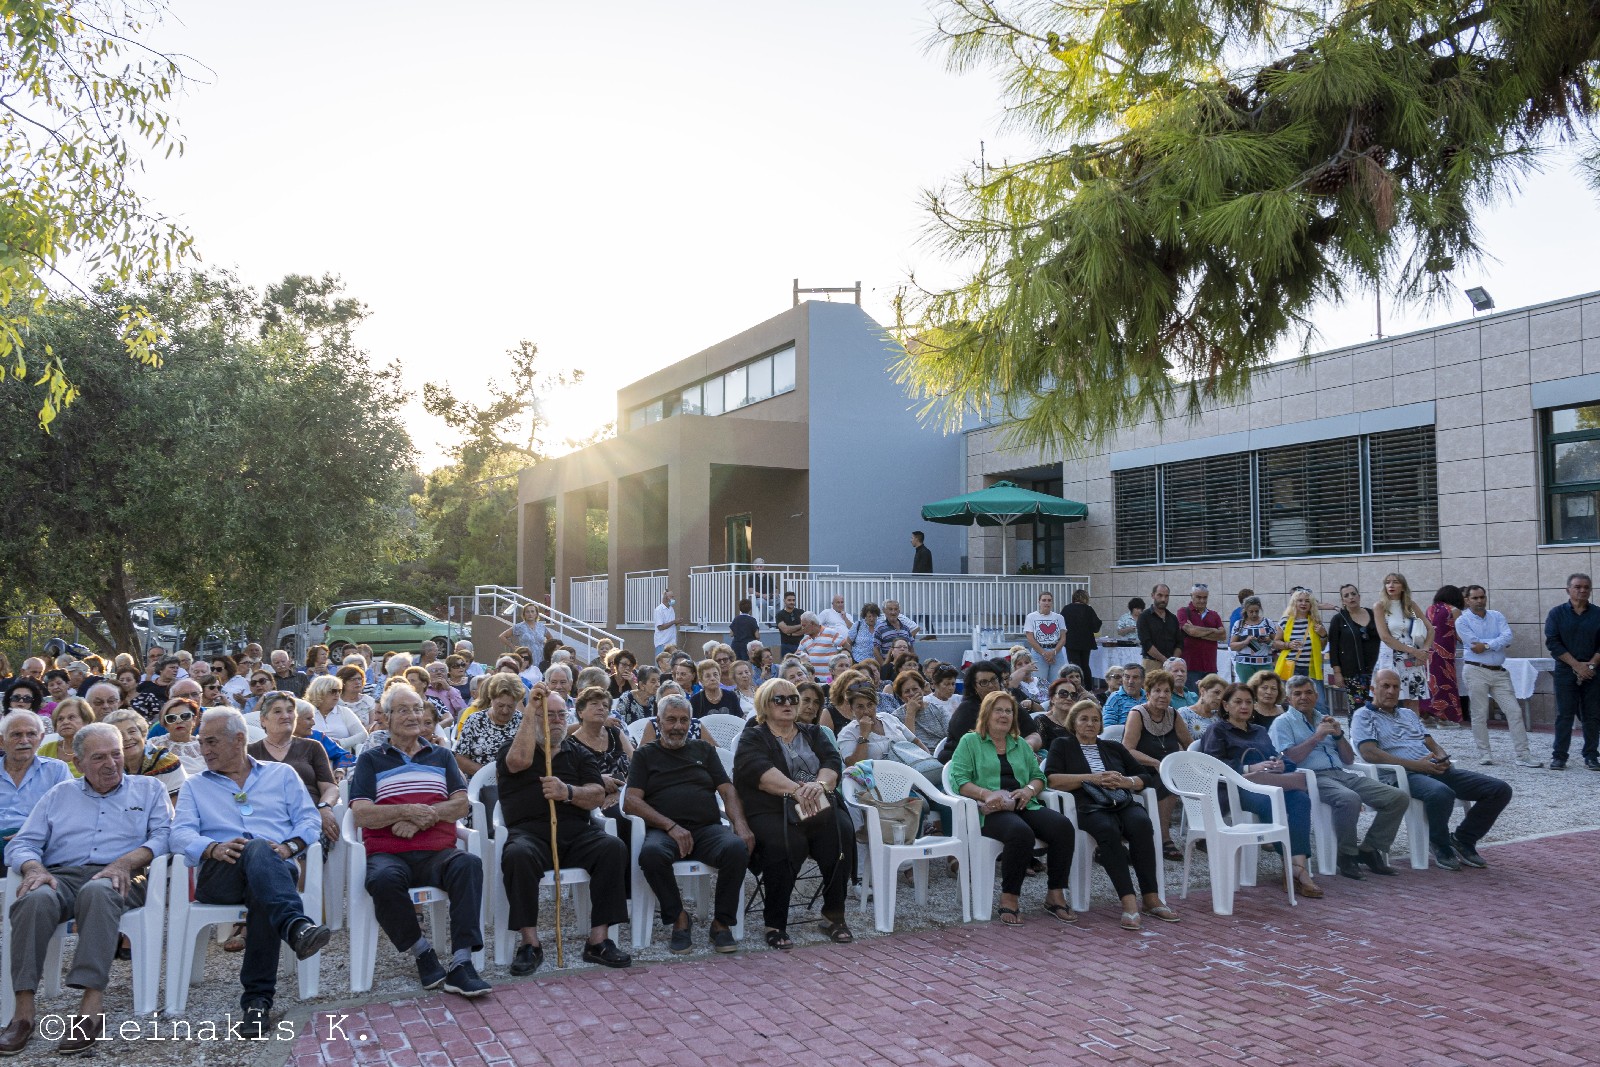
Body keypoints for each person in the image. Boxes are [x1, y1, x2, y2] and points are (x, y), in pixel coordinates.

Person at [0, 723, 171, 1055]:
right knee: (33, 898)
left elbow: (164, 837)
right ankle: (22, 1013)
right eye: (98, 757)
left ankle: (91, 1007)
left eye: (116, 754)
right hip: (61, 875)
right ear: (78, 763)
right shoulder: (59, 794)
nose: (111, 764)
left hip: (123, 874)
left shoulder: (149, 789)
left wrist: (126, 862)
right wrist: (34, 868)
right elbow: (23, 844)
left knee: (98, 892)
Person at [170, 708, 334, 1033]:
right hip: (221, 873)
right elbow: (179, 833)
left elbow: (309, 820)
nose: (204, 750)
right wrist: (211, 848)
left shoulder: (282, 775)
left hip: (272, 868)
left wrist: (288, 848)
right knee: (258, 850)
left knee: (263, 870)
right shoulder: (195, 786)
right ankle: (295, 926)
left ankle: (257, 1004)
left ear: (240, 739)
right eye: (201, 743)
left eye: (212, 742)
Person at [348, 686, 490, 995]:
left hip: (437, 852)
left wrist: (421, 817)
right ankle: (422, 952)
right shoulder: (372, 760)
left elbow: (461, 805)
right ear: (385, 718)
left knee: (468, 864)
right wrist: (408, 811)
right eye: (403, 710)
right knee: (382, 880)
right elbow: (362, 814)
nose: (413, 716)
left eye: (416, 709)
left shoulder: (441, 756)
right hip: (389, 853)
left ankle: (462, 963)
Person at [496, 686, 633, 973]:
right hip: (530, 834)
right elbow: (517, 763)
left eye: (561, 715)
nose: (556, 720)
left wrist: (567, 792)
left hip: (576, 833)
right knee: (517, 855)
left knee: (613, 847)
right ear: (534, 717)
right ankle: (530, 944)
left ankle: (598, 940)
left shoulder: (578, 753)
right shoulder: (515, 748)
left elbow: (597, 794)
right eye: (548, 715)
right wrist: (531, 710)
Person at [625, 692, 754, 955]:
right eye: (671, 720)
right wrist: (670, 826)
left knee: (736, 848)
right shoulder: (645, 755)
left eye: (684, 720)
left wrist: (740, 825)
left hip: (707, 828)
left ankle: (721, 923)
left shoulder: (703, 750)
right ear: (658, 722)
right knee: (650, 856)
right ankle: (679, 918)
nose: (678, 726)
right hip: (664, 831)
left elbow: (727, 790)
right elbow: (631, 801)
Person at [733, 678, 855, 949]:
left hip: (816, 805)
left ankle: (833, 915)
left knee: (842, 831)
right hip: (771, 810)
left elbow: (832, 761)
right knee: (786, 842)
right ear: (765, 704)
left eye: (793, 699)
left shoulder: (814, 732)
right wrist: (795, 790)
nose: (788, 704)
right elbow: (758, 771)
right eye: (780, 699)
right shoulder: (754, 734)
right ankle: (775, 922)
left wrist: (819, 785)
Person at [1353, 669, 1514, 870]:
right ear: (1373, 689)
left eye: (1395, 687)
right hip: (1403, 776)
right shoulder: (1364, 716)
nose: (1391, 691)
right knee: (1440, 793)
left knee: (1499, 789)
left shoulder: (1408, 714)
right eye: (1385, 686)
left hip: (1433, 769)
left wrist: (1441, 756)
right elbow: (1370, 753)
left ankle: (1463, 839)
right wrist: (1417, 765)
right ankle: (1439, 843)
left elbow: (1430, 742)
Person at [1045, 700, 1178, 930]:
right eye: (1084, 719)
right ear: (1074, 722)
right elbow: (1053, 780)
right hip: (1088, 806)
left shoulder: (1113, 747)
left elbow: (1144, 777)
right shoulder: (1062, 745)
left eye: (1095, 719)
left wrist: (1126, 781)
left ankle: (1150, 897)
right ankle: (1128, 901)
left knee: (1142, 824)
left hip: (1122, 801)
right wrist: (1092, 778)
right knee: (1107, 830)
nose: (1090, 724)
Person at [948, 690, 1077, 926]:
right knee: (1021, 833)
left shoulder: (1019, 744)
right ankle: (1009, 896)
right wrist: (987, 793)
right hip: (991, 809)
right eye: (999, 710)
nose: (1004, 715)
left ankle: (1055, 893)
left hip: (1024, 804)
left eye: (1009, 711)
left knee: (1062, 826)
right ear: (986, 714)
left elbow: (1039, 777)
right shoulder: (970, 741)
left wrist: (1029, 789)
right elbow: (959, 780)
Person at [1269, 675, 1408, 879]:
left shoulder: (1323, 718)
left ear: (1317, 696)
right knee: (1349, 799)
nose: (1303, 697)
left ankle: (1370, 848)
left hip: (1341, 774)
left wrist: (1338, 735)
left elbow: (1349, 759)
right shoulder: (1282, 723)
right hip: (1311, 777)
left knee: (1398, 797)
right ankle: (1346, 855)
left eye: (1308, 692)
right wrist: (1316, 737)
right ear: (1288, 699)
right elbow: (1289, 760)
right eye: (1297, 694)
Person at [1199, 684, 1322, 898]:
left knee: (1301, 799)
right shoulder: (1217, 729)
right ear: (1226, 705)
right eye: (1238, 702)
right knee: (1270, 801)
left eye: (1248, 702)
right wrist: (1248, 768)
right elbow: (1212, 764)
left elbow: (1276, 755)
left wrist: (1282, 765)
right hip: (1236, 788)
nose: (1244, 706)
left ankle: (1297, 867)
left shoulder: (1259, 730)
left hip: (1269, 783)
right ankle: (1294, 869)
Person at [1458, 585, 1541, 767]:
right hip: (1476, 670)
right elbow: (1474, 645)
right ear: (1467, 600)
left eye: (1482, 597)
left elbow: (1508, 637)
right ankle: (1485, 754)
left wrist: (1487, 645)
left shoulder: (1497, 616)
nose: (1480, 601)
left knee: (1514, 711)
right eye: (1475, 598)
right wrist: (1497, 642)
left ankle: (1523, 755)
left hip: (1499, 671)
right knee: (1479, 714)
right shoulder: (1462, 621)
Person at [1119, 669, 1194, 860]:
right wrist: (1156, 762)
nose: (1162, 695)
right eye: (1157, 691)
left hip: (1168, 769)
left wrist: (1188, 761)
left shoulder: (1173, 714)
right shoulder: (1137, 714)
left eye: (1167, 691)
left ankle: (1203, 833)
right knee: (1165, 781)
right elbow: (1127, 749)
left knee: (1198, 779)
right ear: (1148, 693)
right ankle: (1164, 838)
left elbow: (1189, 744)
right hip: (1140, 769)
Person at [1545, 572, 1600, 772]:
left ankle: (1592, 756)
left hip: (1593, 672)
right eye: (1577, 587)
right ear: (1568, 589)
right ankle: (1559, 757)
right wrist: (1577, 666)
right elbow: (1553, 643)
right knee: (1564, 715)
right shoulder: (1556, 614)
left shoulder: (1598, 614)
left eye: (1586, 587)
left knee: (1592, 715)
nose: (1582, 590)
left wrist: (1591, 666)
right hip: (1565, 671)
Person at [836, 677, 942, 781]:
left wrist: (929, 762)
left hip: (912, 775)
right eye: (860, 707)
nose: (866, 711)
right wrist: (864, 735)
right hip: (879, 784)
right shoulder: (847, 733)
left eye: (870, 705)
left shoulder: (888, 718)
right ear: (851, 708)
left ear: (876, 703)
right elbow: (854, 767)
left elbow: (916, 741)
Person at [0, 710, 72, 846]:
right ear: (1, 741)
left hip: (34, 841)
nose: (24, 741)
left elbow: (68, 813)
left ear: (41, 738)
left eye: (31, 734)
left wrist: (34, 834)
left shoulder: (56, 770)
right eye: (16, 735)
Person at [1374, 572, 1433, 711]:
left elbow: (1430, 629)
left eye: (1395, 582)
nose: (1391, 585)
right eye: (1388, 582)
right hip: (1390, 656)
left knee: (1412, 700)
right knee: (1387, 699)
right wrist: (1415, 652)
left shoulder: (1410, 605)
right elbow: (1385, 637)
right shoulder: (1380, 606)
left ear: (1403, 586)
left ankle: (1414, 731)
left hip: (1413, 656)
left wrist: (1424, 650)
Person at [104, 708, 187, 800]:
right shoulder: (108, 765)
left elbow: (177, 807)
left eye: (132, 731)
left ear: (143, 734)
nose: (127, 738)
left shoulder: (166, 762)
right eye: (119, 734)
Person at [455, 672, 524, 779]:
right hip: (478, 782)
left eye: (510, 706)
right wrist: (489, 774)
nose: (505, 711)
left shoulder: (522, 722)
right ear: (491, 700)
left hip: (513, 782)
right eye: (500, 705)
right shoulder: (475, 720)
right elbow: (460, 759)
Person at [937, 660, 1009, 762]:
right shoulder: (967, 711)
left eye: (994, 679)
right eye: (984, 682)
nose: (991, 685)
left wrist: (1027, 747)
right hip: (963, 761)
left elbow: (1032, 733)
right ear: (975, 687)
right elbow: (979, 747)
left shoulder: (1008, 704)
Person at [1327, 584, 1382, 713]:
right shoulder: (1338, 620)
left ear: (1359, 596)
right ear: (1343, 601)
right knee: (1358, 710)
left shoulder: (1373, 614)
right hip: (1353, 673)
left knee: (1379, 708)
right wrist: (1337, 673)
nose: (1351, 597)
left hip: (1377, 671)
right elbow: (1333, 649)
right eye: (1346, 596)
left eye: (1353, 594)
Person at [1272, 588, 1328, 708]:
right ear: (1294, 603)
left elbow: (1322, 646)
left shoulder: (1316, 621)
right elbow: (1275, 642)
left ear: (1311, 604)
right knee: (1290, 703)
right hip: (1291, 667)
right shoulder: (1285, 621)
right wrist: (1288, 645)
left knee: (1320, 704)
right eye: (1300, 600)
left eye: (1307, 601)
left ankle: (1319, 726)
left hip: (1311, 668)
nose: (1303, 604)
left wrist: (1323, 634)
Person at [1421, 586, 1465, 727]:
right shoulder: (1454, 610)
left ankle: (1426, 716)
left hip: (1428, 652)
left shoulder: (1430, 609)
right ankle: (1445, 718)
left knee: (1430, 683)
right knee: (1446, 684)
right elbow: (1460, 635)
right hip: (1445, 654)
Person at [36, 695, 93, 777]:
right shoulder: (45, 750)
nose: (65, 722)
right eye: (60, 719)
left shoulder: (94, 750)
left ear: (86, 721)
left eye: (71, 717)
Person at [1177, 584, 1224, 679]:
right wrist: (1213, 630)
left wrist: (1196, 632)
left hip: (1210, 667)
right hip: (1191, 667)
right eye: (1198, 597)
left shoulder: (1214, 615)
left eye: (1205, 597)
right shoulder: (1183, 612)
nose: (1202, 601)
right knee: (1192, 694)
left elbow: (1223, 636)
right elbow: (1191, 631)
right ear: (1191, 596)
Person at [149, 696, 206, 775]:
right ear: (165, 724)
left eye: (185, 716)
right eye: (171, 718)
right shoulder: (154, 745)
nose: (179, 721)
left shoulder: (205, 744)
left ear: (194, 719)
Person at [1229, 596, 1277, 684]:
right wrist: (1245, 642)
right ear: (1245, 611)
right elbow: (1232, 646)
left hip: (1264, 664)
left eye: (1256, 611)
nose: (1254, 614)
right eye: (1251, 612)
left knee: (1265, 688)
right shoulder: (1239, 624)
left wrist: (1268, 641)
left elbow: (1278, 643)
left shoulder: (1267, 623)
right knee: (1248, 690)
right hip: (1244, 664)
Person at [1024, 591, 1068, 685]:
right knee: (1039, 683)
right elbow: (1030, 638)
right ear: (1039, 602)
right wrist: (1044, 653)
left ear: (1052, 602)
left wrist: (1054, 652)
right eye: (1044, 600)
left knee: (1057, 683)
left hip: (1056, 653)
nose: (1046, 603)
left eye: (1049, 600)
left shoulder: (1059, 617)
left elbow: (1063, 638)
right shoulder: (1031, 617)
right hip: (1038, 653)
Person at [1137, 584, 1180, 676]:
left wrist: (1173, 661)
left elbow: (1179, 643)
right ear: (1153, 595)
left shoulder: (1173, 618)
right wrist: (1165, 660)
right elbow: (1146, 643)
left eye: (1166, 596)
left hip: (1171, 666)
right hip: (1151, 664)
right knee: (1151, 690)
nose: (1163, 599)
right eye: (1160, 595)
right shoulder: (1144, 617)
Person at [1060, 589, 1101, 685]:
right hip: (1086, 642)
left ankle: (1074, 686)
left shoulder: (1067, 609)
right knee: (1085, 665)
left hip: (1071, 642)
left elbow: (1060, 625)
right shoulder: (1088, 609)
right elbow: (1096, 627)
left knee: (1073, 666)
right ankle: (1088, 687)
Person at [797, 612, 850, 684]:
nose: (802, 628)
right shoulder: (804, 640)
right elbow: (797, 656)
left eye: (804, 625)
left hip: (830, 682)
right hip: (814, 682)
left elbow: (846, 646)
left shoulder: (830, 633)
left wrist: (843, 660)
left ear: (812, 624)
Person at [1101, 662, 1146, 728]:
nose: (1130, 681)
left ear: (1143, 680)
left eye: (1135, 677)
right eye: (1127, 677)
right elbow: (1108, 728)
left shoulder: (1150, 697)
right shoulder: (1115, 698)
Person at [653, 589, 686, 655]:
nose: (673, 599)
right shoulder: (659, 610)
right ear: (666, 598)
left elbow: (671, 624)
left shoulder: (671, 609)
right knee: (662, 663)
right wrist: (674, 621)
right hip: (662, 643)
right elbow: (660, 627)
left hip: (672, 643)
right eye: (672, 597)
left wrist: (677, 622)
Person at [773, 590, 803, 658]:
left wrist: (791, 633)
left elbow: (805, 629)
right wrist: (800, 626)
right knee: (786, 667)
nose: (792, 602)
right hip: (786, 646)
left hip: (801, 645)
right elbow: (785, 630)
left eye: (793, 600)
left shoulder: (800, 612)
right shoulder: (780, 615)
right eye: (789, 600)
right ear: (784, 600)